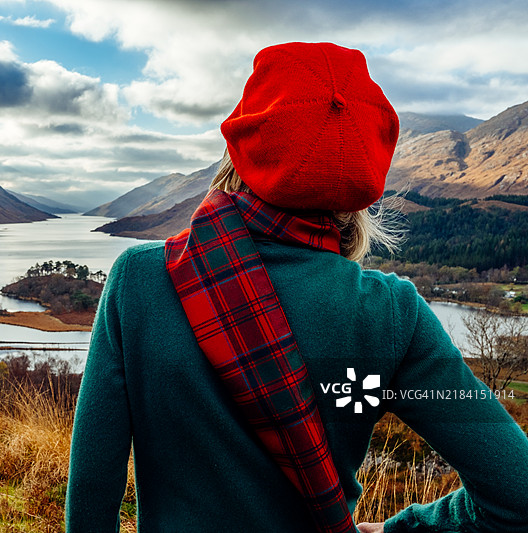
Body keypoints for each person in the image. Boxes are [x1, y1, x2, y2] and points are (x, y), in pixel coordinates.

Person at [65, 42, 528, 532]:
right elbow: (517, 496)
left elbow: (93, 496)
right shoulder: (389, 316)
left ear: (244, 144)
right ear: (365, 175)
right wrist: (402, 530)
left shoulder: (140, 282)